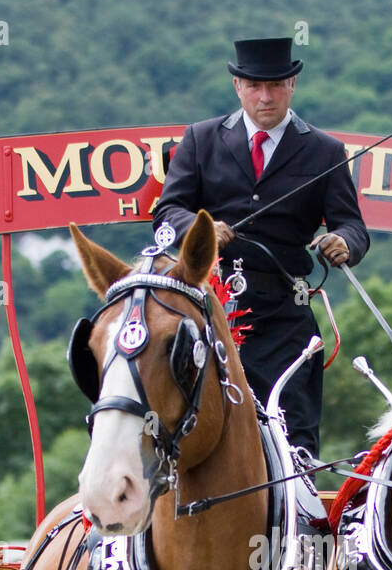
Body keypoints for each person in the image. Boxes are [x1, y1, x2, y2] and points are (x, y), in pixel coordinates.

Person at [152, 36, 370, 457]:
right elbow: (167, 213)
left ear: (292, 85)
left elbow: (352, 225)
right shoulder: (200, 140)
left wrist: (344, 241)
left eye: (275, 86)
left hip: (284, 318)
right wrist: (200, 230)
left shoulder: (325, 152)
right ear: (238, 87)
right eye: (254, 86)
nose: (264, 96)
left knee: (294, 441)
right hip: (207, 311)